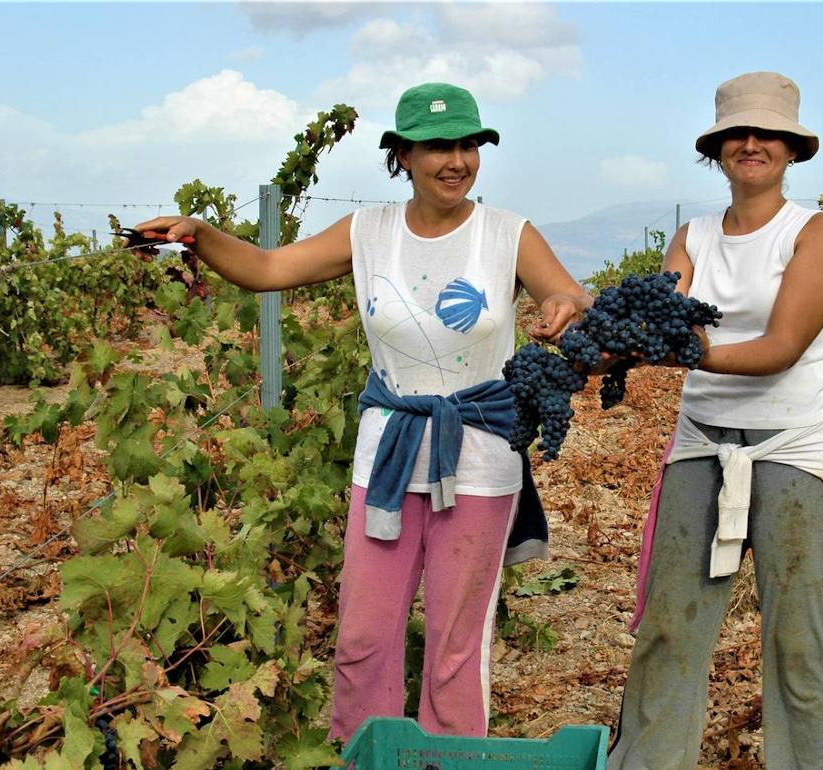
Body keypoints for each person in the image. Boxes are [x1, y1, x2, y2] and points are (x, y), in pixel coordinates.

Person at [132, 82, 593, 741]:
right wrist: (201, 235)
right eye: (436, 147)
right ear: (401, 156)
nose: (455, 161)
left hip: (483, 462)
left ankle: (448, 759)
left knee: (455, 649)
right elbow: (266, 267)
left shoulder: (506, 234)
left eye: (468, 145)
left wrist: (563, 308)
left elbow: (565, 293)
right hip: (386, 458)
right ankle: (364, 752)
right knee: (363, 636)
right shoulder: (369, 231)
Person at [606, 72, 823, 770]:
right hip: (703, 440)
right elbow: (660, 319)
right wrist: (589, 328)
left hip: (796, 446)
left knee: (797, 642)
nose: (751, 144)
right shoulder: (690, 237)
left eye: (767, 134)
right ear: (718, 148)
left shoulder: (814, 232)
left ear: (790, 149)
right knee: (668, 629)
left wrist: (683, 347)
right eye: (738, 134)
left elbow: (782, 348)